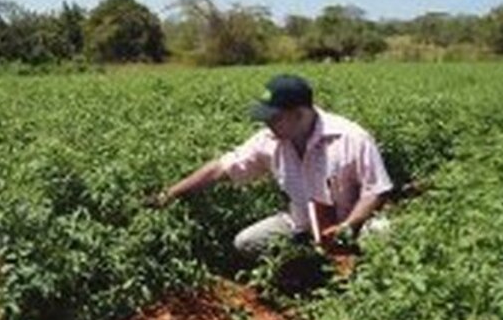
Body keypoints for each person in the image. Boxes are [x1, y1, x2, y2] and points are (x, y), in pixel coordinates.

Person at [149, 74, 393, 257]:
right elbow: (220, 168)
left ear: (300, 113)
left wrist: (347, 228)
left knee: (383, 236)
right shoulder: (269, 141)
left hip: (351, 225)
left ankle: (356, 275)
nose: (267, 124)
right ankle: (310, 271)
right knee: (247, 242)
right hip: (301, 226)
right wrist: (169, 194)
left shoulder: (351, 138)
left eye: (274, 117)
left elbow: (376, 191)